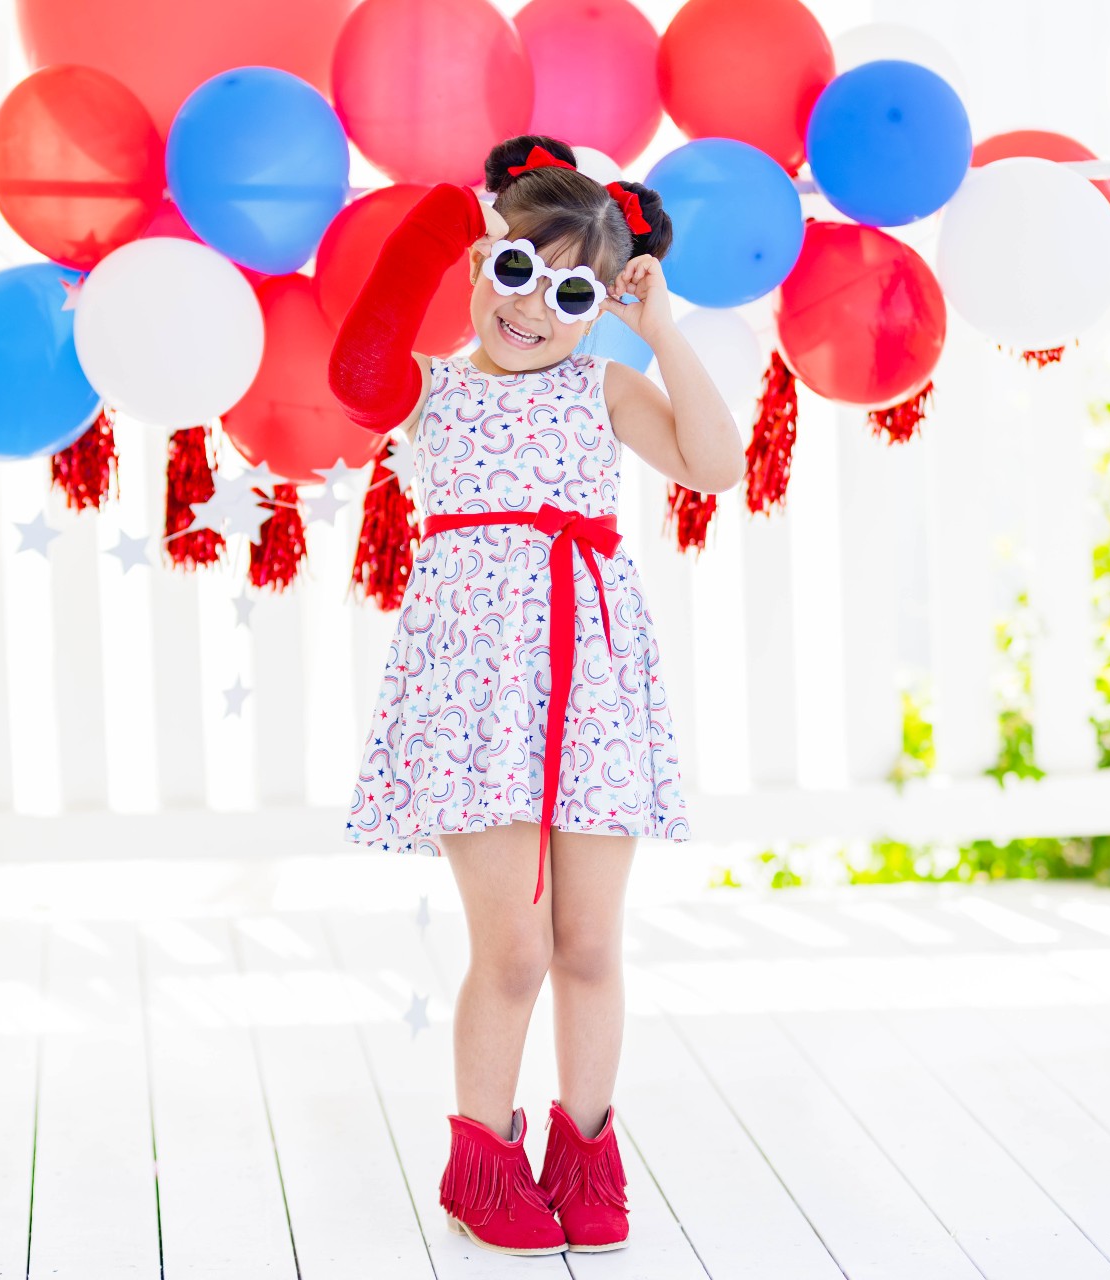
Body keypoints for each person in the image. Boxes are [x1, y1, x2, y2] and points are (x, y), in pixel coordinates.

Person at [329, 133, 744, 1257]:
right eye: (513, 269)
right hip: (475, 694)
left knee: (589, 943)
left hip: (588, 679)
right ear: (479, 262)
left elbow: (714, 462)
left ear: (597, 303)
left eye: (569, 291)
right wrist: (427, 241)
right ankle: (480, 1156)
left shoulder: (600, 382)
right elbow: (352, 378)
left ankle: (589, 1147)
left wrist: (655, 328)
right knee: (509, 950)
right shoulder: (436, 391)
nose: (532, 309)